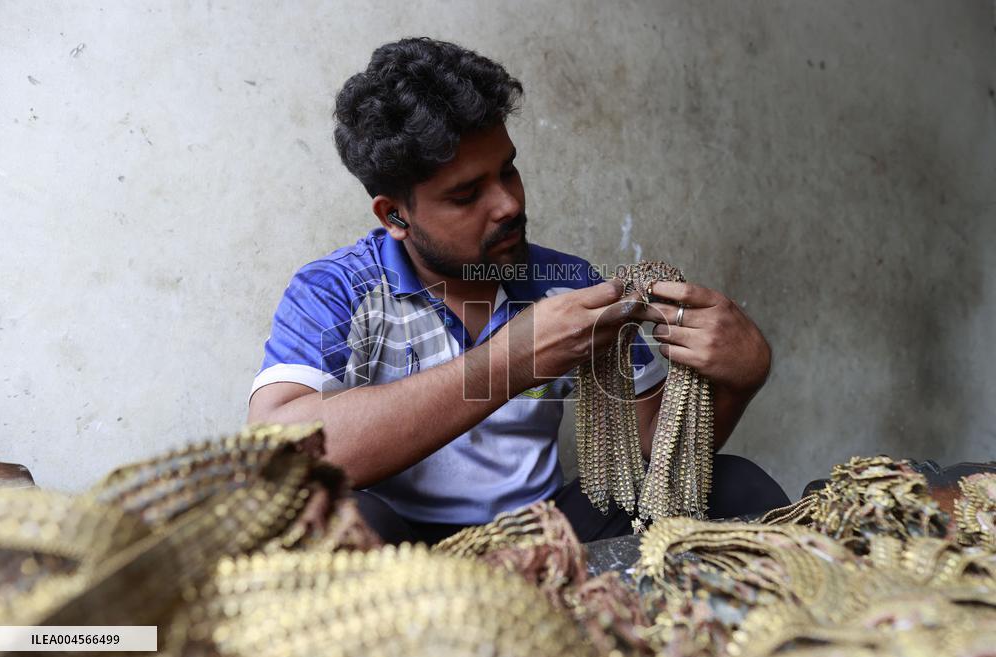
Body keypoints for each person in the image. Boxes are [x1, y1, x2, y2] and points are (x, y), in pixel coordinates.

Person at [247, 37, 787, 545]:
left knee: (735, 487)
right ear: (396, 215)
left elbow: (651, 447)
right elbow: (277, 451)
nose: (507, 204)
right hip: (397, 548)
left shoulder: (567, 285)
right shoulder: (339, 290)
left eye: (508, 171)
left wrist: (742, 376)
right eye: (466, 195)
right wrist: (510, 362)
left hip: (544, 531)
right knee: (317, 517)